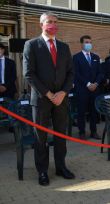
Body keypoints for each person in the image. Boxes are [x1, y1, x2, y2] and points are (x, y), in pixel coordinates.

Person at [23, 12, 75, 186]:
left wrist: (63, 93)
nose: (52, 24)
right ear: (41, 25)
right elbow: (29, 74)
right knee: (41, 137)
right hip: (41, 100)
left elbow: (70, 73)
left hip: (61, 99)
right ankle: (42, 171)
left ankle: (61, 167)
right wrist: (48, 94)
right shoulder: (31, 45)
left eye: (55, 22)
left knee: (61, 135)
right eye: (49, 22)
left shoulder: (64, 47)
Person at [73, 35, 103, 140]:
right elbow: (76, 74)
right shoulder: (76, 57)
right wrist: (88, 84)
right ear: (81, 44)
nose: (88, 44)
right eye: (86, 42)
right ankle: (81, 132)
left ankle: (93, 131)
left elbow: (100, 73)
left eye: (90, 42)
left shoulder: (95, 57)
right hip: (82, 89)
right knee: (81, 111)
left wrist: (96, 84)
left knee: (93, 111)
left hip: (95, 89)